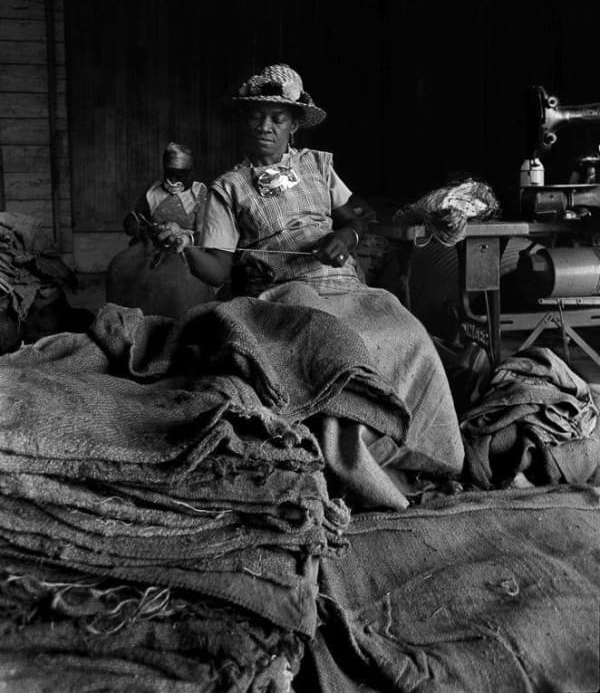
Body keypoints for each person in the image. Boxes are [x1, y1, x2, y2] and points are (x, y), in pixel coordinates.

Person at [159, 65, 464, 508]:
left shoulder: (318, 167)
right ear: (243, 122)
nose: (265, 126)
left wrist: (347, 236)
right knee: (336, 347)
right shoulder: (227, 189)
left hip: (344, 285)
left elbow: (358, 214)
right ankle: (356, 472)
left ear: (293, 126)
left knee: (408, 335)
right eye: (256, 117)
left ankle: (425, 458)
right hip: (284, 295)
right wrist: (185, 247)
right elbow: (219, 271)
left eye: (277, 118)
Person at [105, 142, 214, 318]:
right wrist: (132, 222)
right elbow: (138, 216)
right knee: (119, 267)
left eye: (180, 175)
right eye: (170, 175)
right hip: (149, 246)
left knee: (176, 282)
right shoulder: (153, 192)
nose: (174, 180)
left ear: (190, 174)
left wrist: (183, 236)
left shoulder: (200, 193)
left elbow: (206, 233)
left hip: (184, 247)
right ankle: (126, 323)